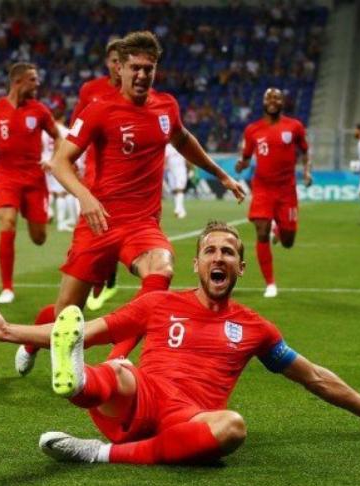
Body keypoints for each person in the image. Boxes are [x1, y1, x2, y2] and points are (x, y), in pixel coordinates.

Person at [0, 220, 360, 465]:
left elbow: (313, 376)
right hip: (140, 398)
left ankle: (97, 453)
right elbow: (88, 330)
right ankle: (74, 383)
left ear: (241, 268)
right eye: (211, 251)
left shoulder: (255, 328)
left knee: (233, 427)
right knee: (119, 371)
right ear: (197, 264)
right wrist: (9, 332)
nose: (220, 258)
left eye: (229, 253)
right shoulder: (159, 304)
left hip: (188, 419)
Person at [14, 31, 245, 376]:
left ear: (156, 70)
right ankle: (33, 340)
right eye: (134, 68)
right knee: (67, 316)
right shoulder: (98, 110)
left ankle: (115, 359)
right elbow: (61, 161)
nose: (141, 75)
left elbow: (182, 138)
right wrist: (86, 197)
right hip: (99, 221)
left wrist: (220, 174)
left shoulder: (166, 106)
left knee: (162, 268)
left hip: (142, 225)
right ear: (119, 68)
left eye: (148, 69)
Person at [0, 62, 60, 305]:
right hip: (7, 177)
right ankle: (7, 287)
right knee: (8, 222)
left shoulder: (40, 110)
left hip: (34, 179)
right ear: (18, 81)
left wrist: (53, 160)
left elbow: (58, 137)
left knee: (39, 238)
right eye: (33, 79)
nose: (37, 83)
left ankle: (43, 215)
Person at [234, 87, 312, 298]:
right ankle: (270, 284)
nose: (272, 101)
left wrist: (306, 171)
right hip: (262, 188)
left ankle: (278, 230)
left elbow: (305, 151)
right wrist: (241, 164)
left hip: (287, 190)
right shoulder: (252, 130)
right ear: (263, 101)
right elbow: (247, 157)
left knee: (288, 241)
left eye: (276, 97)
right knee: (260, 230)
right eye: (268, 97)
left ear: (282, 102)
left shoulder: (294, 126)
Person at [73, 38, 123, 312]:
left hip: (122, 172)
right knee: (94, 229)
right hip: (94, 169)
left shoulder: (135, 94)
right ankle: (98, 279)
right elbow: (75, 126)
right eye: (114, 60)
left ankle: (105, 276)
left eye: (121, 61)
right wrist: (70, 160)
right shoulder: (91, 90)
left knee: (113, 226)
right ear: (108, 62)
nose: (118, 66)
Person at [43, 109, 81, 232]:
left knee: (49, 191)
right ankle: (62, 222)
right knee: (63, 193)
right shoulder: (66, 132)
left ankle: (48, 212)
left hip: (44, 162)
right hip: (57, 163)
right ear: (63, 118)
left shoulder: (45, 132)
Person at [164, 142, 188, 219]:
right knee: (174, 191)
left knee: (179, 189)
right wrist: (164, 169)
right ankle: (181, 209)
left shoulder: (182, 145)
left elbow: (188, 158)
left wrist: (191, 170)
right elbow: (165, 158)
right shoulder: (167, 147)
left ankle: (177, 209)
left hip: (181, 170)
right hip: (170, 171)